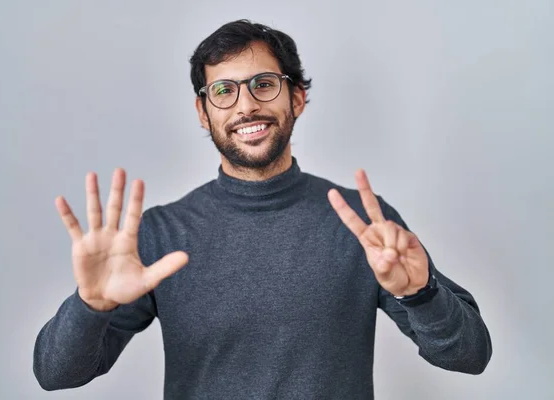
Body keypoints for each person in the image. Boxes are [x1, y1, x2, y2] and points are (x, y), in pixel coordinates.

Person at [33, 19, 492, 399]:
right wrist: (89, 306)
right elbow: (56, 375)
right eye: (224, 91)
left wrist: (422, 294)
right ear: (202, 111)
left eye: (264, 85)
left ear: (297, 98)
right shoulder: (160, 233)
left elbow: (470, 356)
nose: (246, 105)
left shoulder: (365, 225)